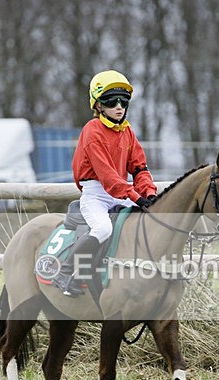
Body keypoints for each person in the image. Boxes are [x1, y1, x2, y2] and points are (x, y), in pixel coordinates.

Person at [52, 70, 158, 297]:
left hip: (120, 194)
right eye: (111, 101)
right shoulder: (92, 131)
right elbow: (108, 176)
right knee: (103, 228)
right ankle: (66, 272)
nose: (119, 107)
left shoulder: (127, 132)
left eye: (123, 101)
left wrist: (149, 193)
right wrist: (136, 197)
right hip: (96, 195)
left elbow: (140, 168)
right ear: (98, 105)